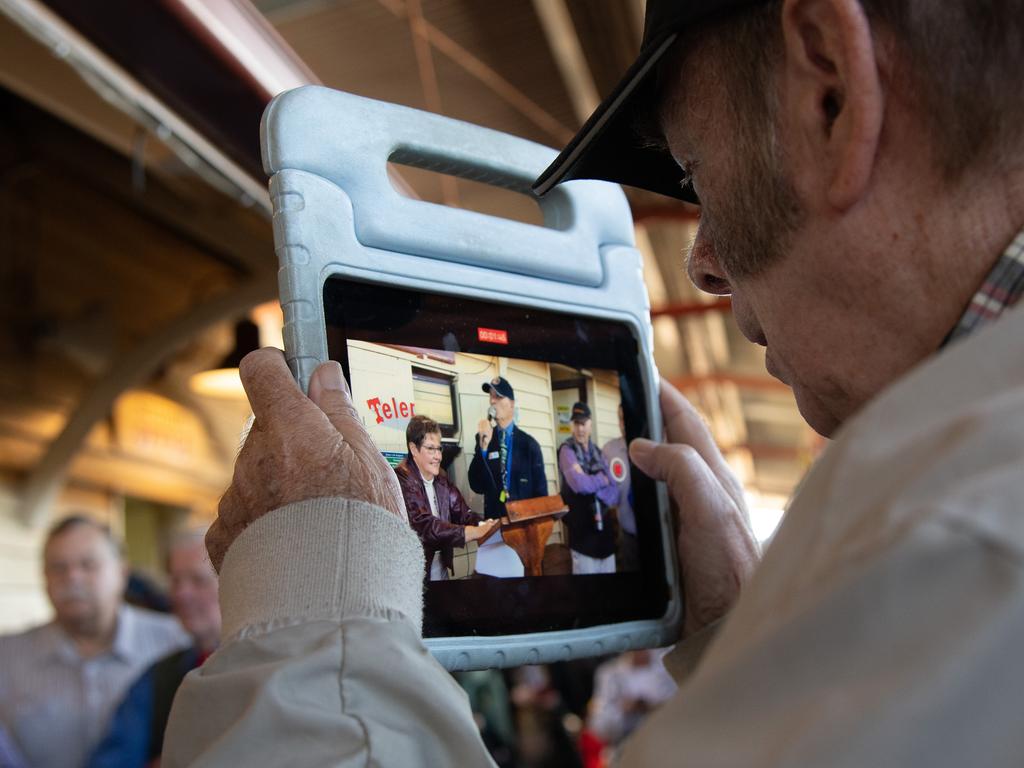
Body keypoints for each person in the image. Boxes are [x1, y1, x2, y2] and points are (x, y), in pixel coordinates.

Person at [165, 0, 1024, 763]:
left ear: (829, 89)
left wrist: (310, 623)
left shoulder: (959, 535)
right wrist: (750, 642)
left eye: (698, 176)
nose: (706, 264)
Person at [0, 516, 188, 768]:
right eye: (58, 567)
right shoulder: (7, 656)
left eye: (88, 565)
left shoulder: (175, 641)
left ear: (122, 572)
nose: (73, 577)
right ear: (44, 577)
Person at [87, 529, 221, 767]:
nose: (181, 594)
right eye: (175, 580)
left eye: (198, 580)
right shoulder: (158, 678)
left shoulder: (268, 665)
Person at [396, 415, 498, 580]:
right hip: (414, 575)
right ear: (414, 449)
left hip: (440, 568)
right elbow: (425, 525)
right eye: (430, 449)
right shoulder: (403, 479)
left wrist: (486, 525)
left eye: (439, 449)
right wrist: (473, 532)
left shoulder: (441, 479)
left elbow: (464, 513)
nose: (438, 456)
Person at [468, 376, 548, 519]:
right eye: (491, 396)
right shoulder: (484, 438)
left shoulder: (529, 444)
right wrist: (483, 448)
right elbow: (476, 485)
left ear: (511, 403)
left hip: (523, 523)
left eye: (498, 396)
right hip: (495, 524)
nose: (493, 401)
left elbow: (541, 494)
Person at [558, 402, 620, 574]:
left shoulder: (599, 453)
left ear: (590, 424)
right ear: (572, 425)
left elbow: (615, 494)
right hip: (583, 539)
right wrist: (602, 480)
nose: (580, 429)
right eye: (576, 423)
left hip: (605, 538)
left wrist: (591, 484)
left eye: (583, 423)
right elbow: (579, 485)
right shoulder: (566, 450)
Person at [601, 404, 638, 571]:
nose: (625, 423)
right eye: (621, 418)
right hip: (628, 532)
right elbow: (606, 489)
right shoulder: (610, 451)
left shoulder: (657, 445)